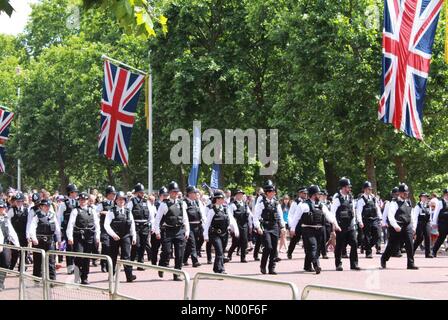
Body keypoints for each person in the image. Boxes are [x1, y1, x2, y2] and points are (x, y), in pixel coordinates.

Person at [290, 185, 337, 274]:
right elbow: (296, 217)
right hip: (308, 230)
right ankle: (316, 265)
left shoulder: (321, 205)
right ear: (313, 195)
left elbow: (329, 215)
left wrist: (335, 224)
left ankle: (307, 266)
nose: (319, 196)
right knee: (312, 247)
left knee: (316, 249)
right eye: (318, 194)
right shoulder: (303, 205)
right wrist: (292, 229)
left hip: (319, 230)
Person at [154, 181, 189, 281]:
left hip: (179, 230)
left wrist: (187, 230)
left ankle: (177, 273)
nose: (175, 193)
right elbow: (157, 219)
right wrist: (157, 231)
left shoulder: (182, 203)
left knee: (179, 253)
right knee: (166, 251)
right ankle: (162, 265)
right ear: (169, 192)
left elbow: (185, 218)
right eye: (173, 191)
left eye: (176, 192)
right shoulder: (164, 204)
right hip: (168, 231)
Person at [381, 183, 418, 269]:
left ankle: (410, 264)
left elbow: (412, 215)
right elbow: (390, 215)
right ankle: (384, 258)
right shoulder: (394, 203)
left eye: (407, 193)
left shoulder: (408, 202)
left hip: (407, 225)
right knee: (392, 245)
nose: (406, 194)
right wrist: (395, 226)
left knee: (410, 244)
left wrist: (413, 227)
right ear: (400, 193)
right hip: (397, 226)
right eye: (404, 193)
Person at [66, 192, 100, 284]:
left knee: (87, 257)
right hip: (78, 236)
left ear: (87, 201)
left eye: (84, 200)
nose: (82, 202)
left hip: (89, 236)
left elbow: (97, 224)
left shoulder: (92, 210)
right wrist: (70, 237)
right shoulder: (75, 211)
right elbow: (70, 225)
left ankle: (85, 277)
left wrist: (97, 237)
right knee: (79, 256)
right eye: (81, 200)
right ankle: (77, 275)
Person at [253, 180, 286, 275]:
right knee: (268, 247)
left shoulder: (276, 203)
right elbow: (256, 217)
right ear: (267, 193)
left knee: (274, 248)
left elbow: (280, 215)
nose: (274, 193)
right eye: (272, 192)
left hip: (274, 226)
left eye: (274, 191)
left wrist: (283, 226)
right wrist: (258, 227)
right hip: (265, 226)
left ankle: (272, 268)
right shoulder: (261, 203)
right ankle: (263, 265)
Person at [104, 191, 137, 282]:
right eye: (119, 199)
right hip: (115, 237)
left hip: (126, 236)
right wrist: (113, 235)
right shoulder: (111, 211)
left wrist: (133, 236)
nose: (121, 201)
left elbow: (132, 224)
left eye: (123, 199)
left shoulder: (128, 211)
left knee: (126, 256)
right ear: (116, 200)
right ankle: (111, 275)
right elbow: (106, 225)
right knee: (113, 256)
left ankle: (129, 276)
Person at [203, 190, 238, 273]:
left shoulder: (226, 209)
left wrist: (235, 229)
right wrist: (206, 235)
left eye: (223, 198)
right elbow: (207, 223)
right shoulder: (212, 210)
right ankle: (221, 269)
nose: (223, 200)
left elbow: (232, 220)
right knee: (219, 251)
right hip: (214, 234)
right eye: (221, 198)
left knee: (221, 251)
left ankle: (216, 268)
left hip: (224, 234)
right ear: (217, 199)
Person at [332, 177, 361, 271]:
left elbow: (353, 211)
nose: (349, 189)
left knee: (354, 243)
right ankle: (338, 264)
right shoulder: (337, 199)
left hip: (350, 225)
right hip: (340, 226)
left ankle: (354, 264)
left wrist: (354, 223)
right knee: (340, 245)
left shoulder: (351, 198)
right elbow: (332, 213)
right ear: (343, 188)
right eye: (348, 187)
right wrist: (335, 225)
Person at [29, 199, 61, 280]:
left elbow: (57, 228)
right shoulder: (37, 216)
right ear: (41, 207)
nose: (47, 207)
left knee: (51, 261)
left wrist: (59, 239)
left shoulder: (52, 215)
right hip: (39, 241)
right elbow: (32, 228)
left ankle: (52, 279)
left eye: (48, 206)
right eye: (45, 206)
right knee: (38, 260)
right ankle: (37, 278)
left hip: (50, 241)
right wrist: (34, 238)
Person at [127, 183, 153, 269]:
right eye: (141, 192)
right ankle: (131, 262)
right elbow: (128, 213)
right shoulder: (131, 202)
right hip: (136, 226)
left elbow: (151, 215)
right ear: (137, 193)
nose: (142, 194)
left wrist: (151, 225)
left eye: (143, 192)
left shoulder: (146, 202)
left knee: (143, 245)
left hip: (145, 226)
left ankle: (140, 263)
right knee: (136, 245)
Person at [356, 181, 382, 258]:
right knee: (367, 236)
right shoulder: (361, 200)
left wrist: (380, 219)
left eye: (370, 189)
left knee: (377, 235)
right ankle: (368, 253)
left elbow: (377, 209)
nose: (369, 191)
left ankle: (365, 246)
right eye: (368, 189)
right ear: (364, 189)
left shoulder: (374, 199)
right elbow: (359, 211)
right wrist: (360, 221)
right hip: (366, 220)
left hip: (374, 219)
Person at [57, 183, 79, 274]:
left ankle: (77, 266)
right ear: (70, 193)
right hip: (67, 228)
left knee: (76, 247)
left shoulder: (78, 202)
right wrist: (59, 229)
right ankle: (70, 267)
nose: (76, 194)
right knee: (69, 248)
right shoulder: (63, 204)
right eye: (74, 192)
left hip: (77, 228)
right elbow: (59, 217)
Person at [227, 189, 252, 263]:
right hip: (236, 225)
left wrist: (250, 226)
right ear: (236, 195)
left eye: (241, 194)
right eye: (239, 194)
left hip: (244, 225)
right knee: (235, 242)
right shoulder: (232, 205)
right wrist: (231, 227)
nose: (240, 195)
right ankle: (229, 254)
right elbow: (230, 216)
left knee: (244, 242)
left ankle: (243, 258)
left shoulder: (245, 205)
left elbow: (249, 215)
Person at [183, 186, 205, 268]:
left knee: (192, 244)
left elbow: (202, 214)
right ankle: (195, 261)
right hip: (189, 226)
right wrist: (186, 229)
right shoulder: (184, 203)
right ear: (189, 194)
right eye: (194, 193)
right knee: (192, 244)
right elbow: (184, 217)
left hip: (198, 226)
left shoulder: (197, 202)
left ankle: (184, 259)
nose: (196, 194)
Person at [0, 199, 19, 291]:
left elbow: (11, 231)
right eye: (1, 208)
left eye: (3, 208)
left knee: (6, 263)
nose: (2, 210)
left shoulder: (6, 218)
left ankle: (0, 282)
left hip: (5, 244)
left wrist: (17, 244)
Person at [96, 186, 116, 272]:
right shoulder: (102, 204)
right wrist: (101, 212)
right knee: (105, 246)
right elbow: (96, 213)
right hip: (104, 229)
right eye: (112, 194)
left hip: (113, 228)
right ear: (108, 194)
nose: (113, 195)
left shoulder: (116, 203)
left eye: (114, 194)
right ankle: (103, 264)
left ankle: (109, 266)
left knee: (112, 248)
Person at [8, 193, 28, 271]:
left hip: (23, 234)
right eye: (17, 201)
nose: (19, 203)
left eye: (20, 201)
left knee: (24, 251)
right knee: (15, 252)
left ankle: (22, 267)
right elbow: (8, 221)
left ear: (23, 202)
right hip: (15, 234)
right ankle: (12, 266)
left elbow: (29, 222)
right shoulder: (11, 210)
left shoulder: (26, 210)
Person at [287, 187, 308, 259]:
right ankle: (289, 252)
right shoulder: (295, 202)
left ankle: (307, 255)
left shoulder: (307, 201)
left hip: (305, 223)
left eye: (306, 193)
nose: (305, 194)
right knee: (294, 240)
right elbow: (291, 214)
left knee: (306, 240)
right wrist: (291, 226)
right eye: (303, 193)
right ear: (299, 193)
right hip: (297, 224)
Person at [151, 187, 168, 265]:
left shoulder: (168, 204)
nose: (165, 197)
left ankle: (164, 262)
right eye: (163, 195)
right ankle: (154, 262)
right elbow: (153, 217)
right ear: (159, 195)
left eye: (166, 195)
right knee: (155, 247)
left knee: (166, 247)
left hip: (165, 229)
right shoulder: (155, 204)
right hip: (156, 227)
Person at [413, 192, 433, 258]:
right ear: (420, 198)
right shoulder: (417, 206)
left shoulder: (428, 206)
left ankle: (428, 253)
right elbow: (415, 217)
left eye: (426, 197)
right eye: (423, 197)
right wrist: (414, 227)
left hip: (427, 223)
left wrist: (431, 223)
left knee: (428, 237)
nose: (425, 198)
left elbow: (430, 215)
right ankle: (412, 251)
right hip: (420, 223)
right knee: (419, 238)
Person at [431, 188, 448, 257]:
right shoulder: (440, 202)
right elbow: (436, 212)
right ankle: (434, 251)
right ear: (444, 195)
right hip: (442, 222)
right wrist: (434, 223)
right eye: (446, 194)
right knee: (442, 237)